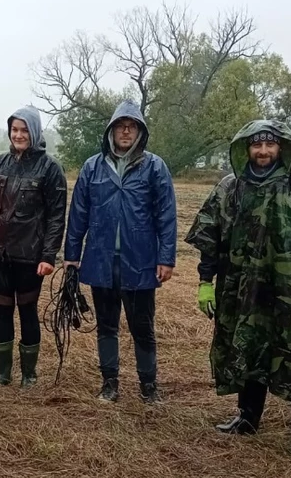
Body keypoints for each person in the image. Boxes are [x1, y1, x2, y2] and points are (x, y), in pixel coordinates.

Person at [185, 119, 291, 458]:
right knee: (248, 349)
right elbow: (210, 241)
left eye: (270, 145)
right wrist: (205, 282)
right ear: (245, 148)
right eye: (256, 145)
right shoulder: (230, 188)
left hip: (289, 295)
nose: (263, 151)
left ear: (281, 148)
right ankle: (247, 419)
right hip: (241, 292)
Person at [63, 100, 176, 404]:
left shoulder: (155, 167)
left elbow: (166, 215)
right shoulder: (92, 167)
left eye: (132, 126)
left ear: (139, 131)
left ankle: (148, 385)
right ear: (111, 131)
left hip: (140, 260)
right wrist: (72, 255)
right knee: (107, 324)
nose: (126, 131)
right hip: (101, 261)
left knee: (143, 327)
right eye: (120, 126)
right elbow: (79, 214)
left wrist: (166, 258)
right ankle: (109, 382)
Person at [0, 106, 67, 388]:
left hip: (30, 256)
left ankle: (29, 374)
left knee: (27, 310)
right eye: (15, 130)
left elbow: (56, 217)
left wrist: (49, 255)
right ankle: (2, 374)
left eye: (24, 130)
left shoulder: (50, 168)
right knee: (1, 311)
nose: (19, 135)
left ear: (35, 132)